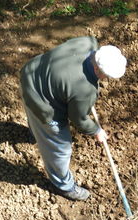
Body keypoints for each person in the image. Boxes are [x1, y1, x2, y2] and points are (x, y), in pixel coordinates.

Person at [19, 36, 127, 201]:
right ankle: (64, 186)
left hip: (31, 73)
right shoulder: (85, 90)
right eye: (107, 76)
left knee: (34, 116)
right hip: (41, 102)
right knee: (61, 148)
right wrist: (96, 130)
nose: (107, 79)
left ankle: (35, 133)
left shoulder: (87, 42)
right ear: (99, 70)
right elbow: (79, 120)